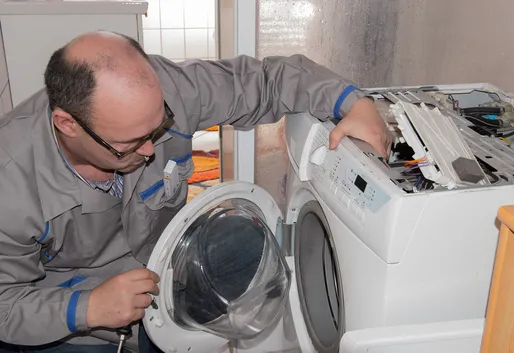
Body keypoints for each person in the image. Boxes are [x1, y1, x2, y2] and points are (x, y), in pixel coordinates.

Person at [0, 30, 390, 352]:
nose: (151, 150)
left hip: (167, 264)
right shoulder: (10, 183)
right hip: (76, 313)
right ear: (67, 124)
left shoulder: (166, 90)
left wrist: (353, 102)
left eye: (158, 128)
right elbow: (4, 305)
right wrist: (86, 309)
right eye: (131, 143)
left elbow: (269, 79)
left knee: (247, 239)